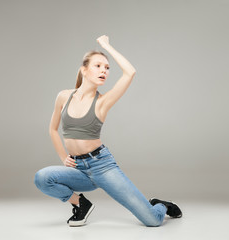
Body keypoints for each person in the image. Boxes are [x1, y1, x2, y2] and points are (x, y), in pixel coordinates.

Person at [34, 35, 182, 227]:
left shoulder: (103, 102)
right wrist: (64, 157)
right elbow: (53, 129)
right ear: (84, 70)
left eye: (107, 68)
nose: (104, 70)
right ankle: (81, 204)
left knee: (153, 220)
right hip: (78, 169)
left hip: (102, 167)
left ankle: (160, 205)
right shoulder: (64, 96)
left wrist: (106, 46)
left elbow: (130, 72)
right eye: (98, 66)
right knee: (42, 178)